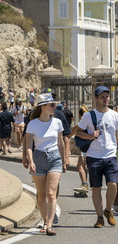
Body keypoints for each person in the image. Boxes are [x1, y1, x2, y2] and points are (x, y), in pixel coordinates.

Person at [76, 86, 118, 228]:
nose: (105, 99)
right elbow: (78, 132)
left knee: (113, 184)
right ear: (96, 99)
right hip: (94, 157)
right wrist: (90, 136)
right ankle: (99, 217)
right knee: (96, 188)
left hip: (111, 155)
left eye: (107, 96)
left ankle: (108, 210)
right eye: (102, 97)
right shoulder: (88, 115)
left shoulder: (115, 115)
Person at [25, 93, 65, 236]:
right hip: (38, 157)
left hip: (54, 157)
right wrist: (31, 161)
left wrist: (64, 159)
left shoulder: (57, 122)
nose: (55, 107)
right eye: (52, 105)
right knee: (41, 195)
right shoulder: (32, 124)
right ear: (43, 107)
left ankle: (49, 225)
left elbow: (60, 143)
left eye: (55, 104)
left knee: (51, 193)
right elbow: (29, 144)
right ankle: (44, 220)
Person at [71, 105, 90, 195]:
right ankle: (84, 184)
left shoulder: (79, 125)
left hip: (84, 149)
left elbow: (70, 135)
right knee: (84, 166)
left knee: (80, 166)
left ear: (79, 115)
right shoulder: (91, 123)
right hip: (92, 147)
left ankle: (84, 184)